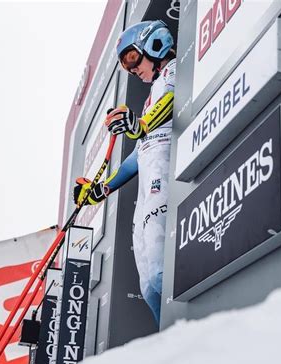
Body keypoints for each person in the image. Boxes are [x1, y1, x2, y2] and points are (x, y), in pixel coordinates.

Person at [73, 20, 176, 326]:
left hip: (163, 170)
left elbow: (171, 102)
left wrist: (141, 125)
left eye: (133, 58)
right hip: (147, 176)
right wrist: (101, 190)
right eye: (127, 67)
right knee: (148, 286)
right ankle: (170, 343)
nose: (132, 69)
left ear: (154, 44)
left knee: (160, 272)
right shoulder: (149, 98)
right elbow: (136, 154)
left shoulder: (174, 71)